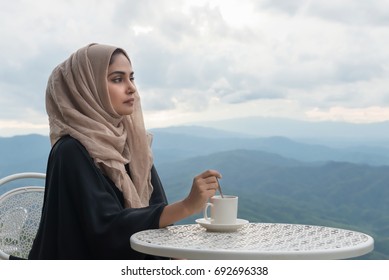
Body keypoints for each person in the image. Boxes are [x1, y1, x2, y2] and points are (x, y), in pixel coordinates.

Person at [28, 43, 221, 260]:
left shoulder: (133, 145)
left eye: (131, 78)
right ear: (87, 89)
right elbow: (106, 231)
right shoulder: (70, 151)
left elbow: (157, 209)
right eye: (117, 79)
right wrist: (187, 205)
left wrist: (174, 256)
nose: (131, 88)